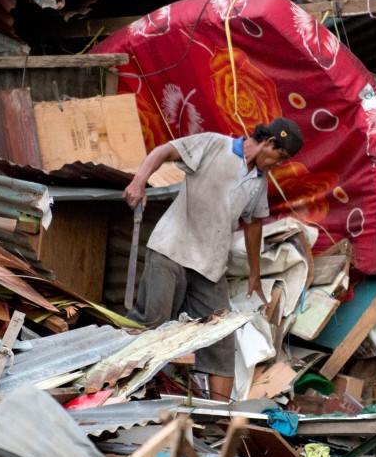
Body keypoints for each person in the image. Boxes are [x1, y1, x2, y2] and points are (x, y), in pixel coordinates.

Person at [123, 117, 304, 402]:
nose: (277, 165)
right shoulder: (214, 144)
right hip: (172, 250)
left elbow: (254, 224)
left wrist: (255, 274)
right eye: (279, 157)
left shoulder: (258, 181)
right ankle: (122, 393)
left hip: (210, 267)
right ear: (268, 143)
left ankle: (219, 419)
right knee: (152, 325)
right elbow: (165, 151)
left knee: (221, 340)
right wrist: (139, 180)